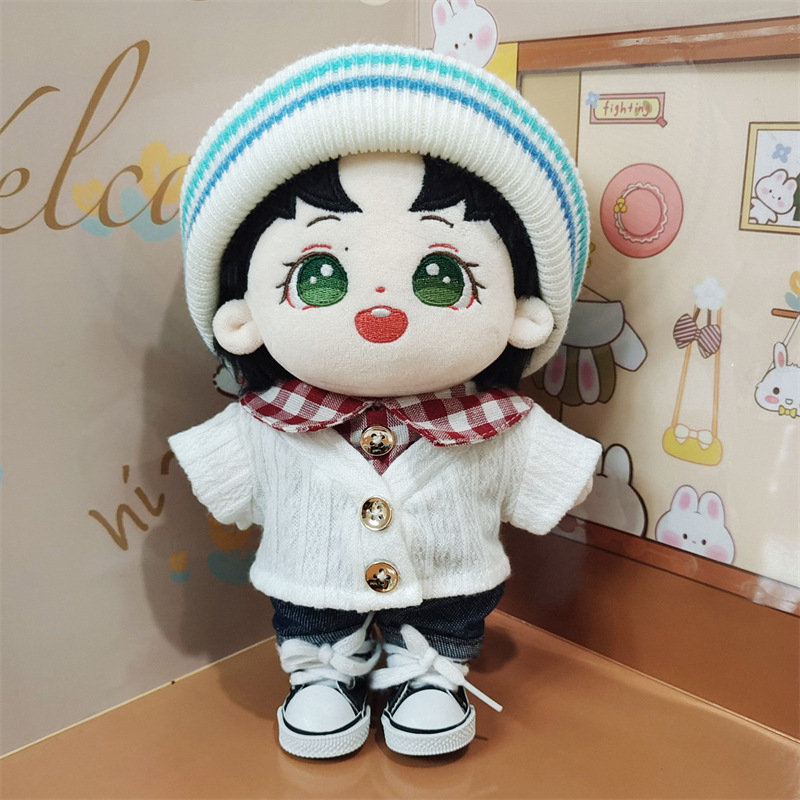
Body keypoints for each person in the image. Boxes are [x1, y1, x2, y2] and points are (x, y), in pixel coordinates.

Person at [169, 44, 601, 760]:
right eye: (318, 277)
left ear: (524, 312)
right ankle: (322, 669)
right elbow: (224, 481)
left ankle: (430, 668)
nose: (383, 313)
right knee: (308, 609)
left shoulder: (500, 425)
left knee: (449, 608)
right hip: (306, 587)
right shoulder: (263, 424)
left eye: (439, 277)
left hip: (453, 594)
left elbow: (558, 476)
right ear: (241, 316)